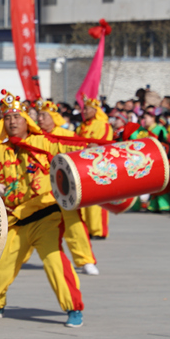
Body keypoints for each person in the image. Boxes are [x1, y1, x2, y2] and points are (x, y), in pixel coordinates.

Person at [0, 91, 85, 328]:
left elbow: (75, 150)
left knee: (54, 262)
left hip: (46, 215)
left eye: (17, 117)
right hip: (15, 219)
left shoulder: (44, 142)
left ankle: (73, 308)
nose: (12, 122)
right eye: (8, 118)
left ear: (27, 121)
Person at [35, 100, 99, 276]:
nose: (40, 119)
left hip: (62, 188)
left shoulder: (66, 135)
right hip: (39, 191)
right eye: (38, 115)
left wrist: (90, 148)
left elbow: (80, 151)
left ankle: (85, 260)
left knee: (74, 225)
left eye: (43, 115)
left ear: (53, 117)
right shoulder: (34, 136)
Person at [76, 95, 114, 240]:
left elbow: (105, 143)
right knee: (85, 200)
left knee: (98, 201)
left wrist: (94, 147)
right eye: (83, 108)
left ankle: (98, 230)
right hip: (83, 166)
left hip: (99, 166)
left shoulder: (103, 125)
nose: (84, 111)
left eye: (87, 108)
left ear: (95, 110)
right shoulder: (81, 126)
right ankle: (87, 229)